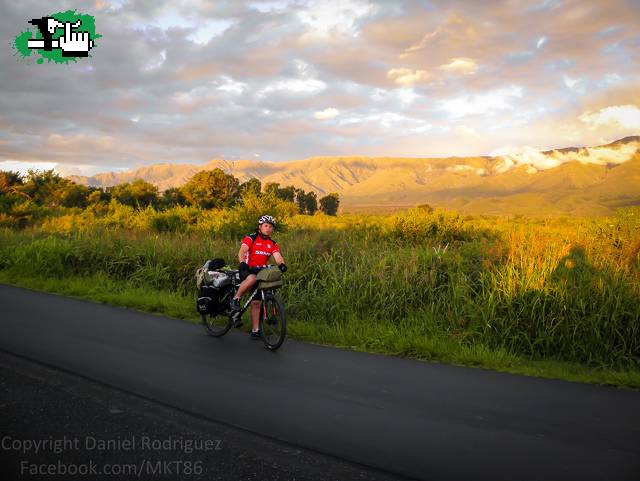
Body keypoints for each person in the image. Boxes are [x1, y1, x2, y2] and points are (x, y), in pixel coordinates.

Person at [230, 214, 287, 339]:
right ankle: (236, 299)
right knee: (252, 278)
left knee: (256, 302)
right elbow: (243, 250)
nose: (268, 228)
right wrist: (242, 263)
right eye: (266, 226)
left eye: (271, 227)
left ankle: (255, 330)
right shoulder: (251, 237)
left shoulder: (272, 243)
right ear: (260, 226)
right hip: (247, 268)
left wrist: (282, 265)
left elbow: (277, 256)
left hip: (260, 271)